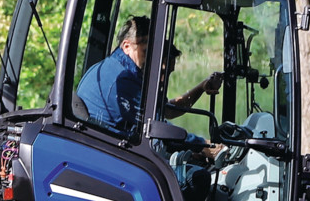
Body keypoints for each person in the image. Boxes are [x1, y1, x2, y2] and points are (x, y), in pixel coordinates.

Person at [75, 16, 221, 138]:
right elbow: (157, 127)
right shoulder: (122, 79)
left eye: (154, 52)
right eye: (146, 51)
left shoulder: (123, 68)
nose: (152, 58)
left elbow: (165, 110)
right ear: (126, 46)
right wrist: (201, 145)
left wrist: (201, 87)